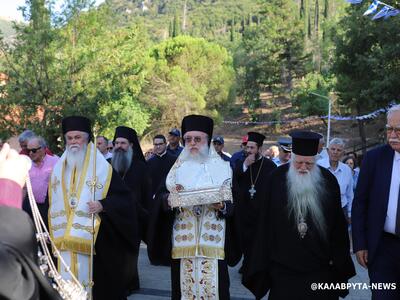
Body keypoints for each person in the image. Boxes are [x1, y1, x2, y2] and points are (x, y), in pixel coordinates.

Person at [243, 131, 355, 299]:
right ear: (292, 159)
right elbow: (264, 224)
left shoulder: (328, 181)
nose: (303, 168)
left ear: (316, 161)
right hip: (282, 269)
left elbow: (337, 228)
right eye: (299, 163)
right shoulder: (275, 179)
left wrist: (338, 263)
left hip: (319, 269)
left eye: (309, 164)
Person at [147, 114, 240, 299]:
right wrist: (169, 200)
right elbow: (159, 199)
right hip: (183, 247)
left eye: (198, 139)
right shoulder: (175, 171)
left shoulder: (224, 169)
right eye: (188, 139)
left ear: (208, 141)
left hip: (213, 245)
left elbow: (236, 206)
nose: (192, 143)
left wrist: (222, 205)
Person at [48, 116, 139, 300]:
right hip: (65, 242)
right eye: (70, 138)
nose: (74, 142)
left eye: (78, 137)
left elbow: (125, 199)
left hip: (97, 241)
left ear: (87, 138)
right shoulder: (59, 168)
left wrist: (103, 205)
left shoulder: (102, 168)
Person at [0, 143, 62, 300]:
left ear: (43, 148)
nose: (32, 153)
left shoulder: (56, 162)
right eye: (30, 150)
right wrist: (9, 187)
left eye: (35, 150)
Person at [352, 104, 400, 300]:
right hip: (382, 249)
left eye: (399, 130)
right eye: (389, 129)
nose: (392, 135)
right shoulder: (374, 158)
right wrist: (360, 243)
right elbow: (360, 203)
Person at [111, 125, 151, 291]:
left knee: (129, 255)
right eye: (117, 143)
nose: (119, 146)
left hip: (133, 218)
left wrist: (144, 215)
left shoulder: (141, 168)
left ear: (131, 145)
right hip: (111, 217)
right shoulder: (107, 165)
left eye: (123, 143)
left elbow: (147, 195)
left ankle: (129, 284)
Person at [233, 132, 276, 264]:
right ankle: (246, 262)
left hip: (260, 210)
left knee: (257, 240)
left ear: (260, 149)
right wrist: (245, 165)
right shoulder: (242, 163)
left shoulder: (270, 166)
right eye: (247, 147)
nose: (249, 150)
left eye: (252, 148)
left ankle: (252, 264)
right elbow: (234, 180)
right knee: (244, 238)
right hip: (244, 210)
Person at [22, 136, 58, 228]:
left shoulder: (56, 162)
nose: (30, 153)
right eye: (28, 150)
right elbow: (24, 188)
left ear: (43, 149)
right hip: (32, 209)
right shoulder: (27, 165)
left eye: (33, 150)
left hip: (51, 209)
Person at [318, 138, 353, 222]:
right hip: (322, 209)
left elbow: (350, 194)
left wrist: (349, 213)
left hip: (341, 209)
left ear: (343, 153)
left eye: (339, 150)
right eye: (333, 149)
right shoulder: (318, 166)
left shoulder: (347, 170)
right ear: (327, 150)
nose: (335, 152)